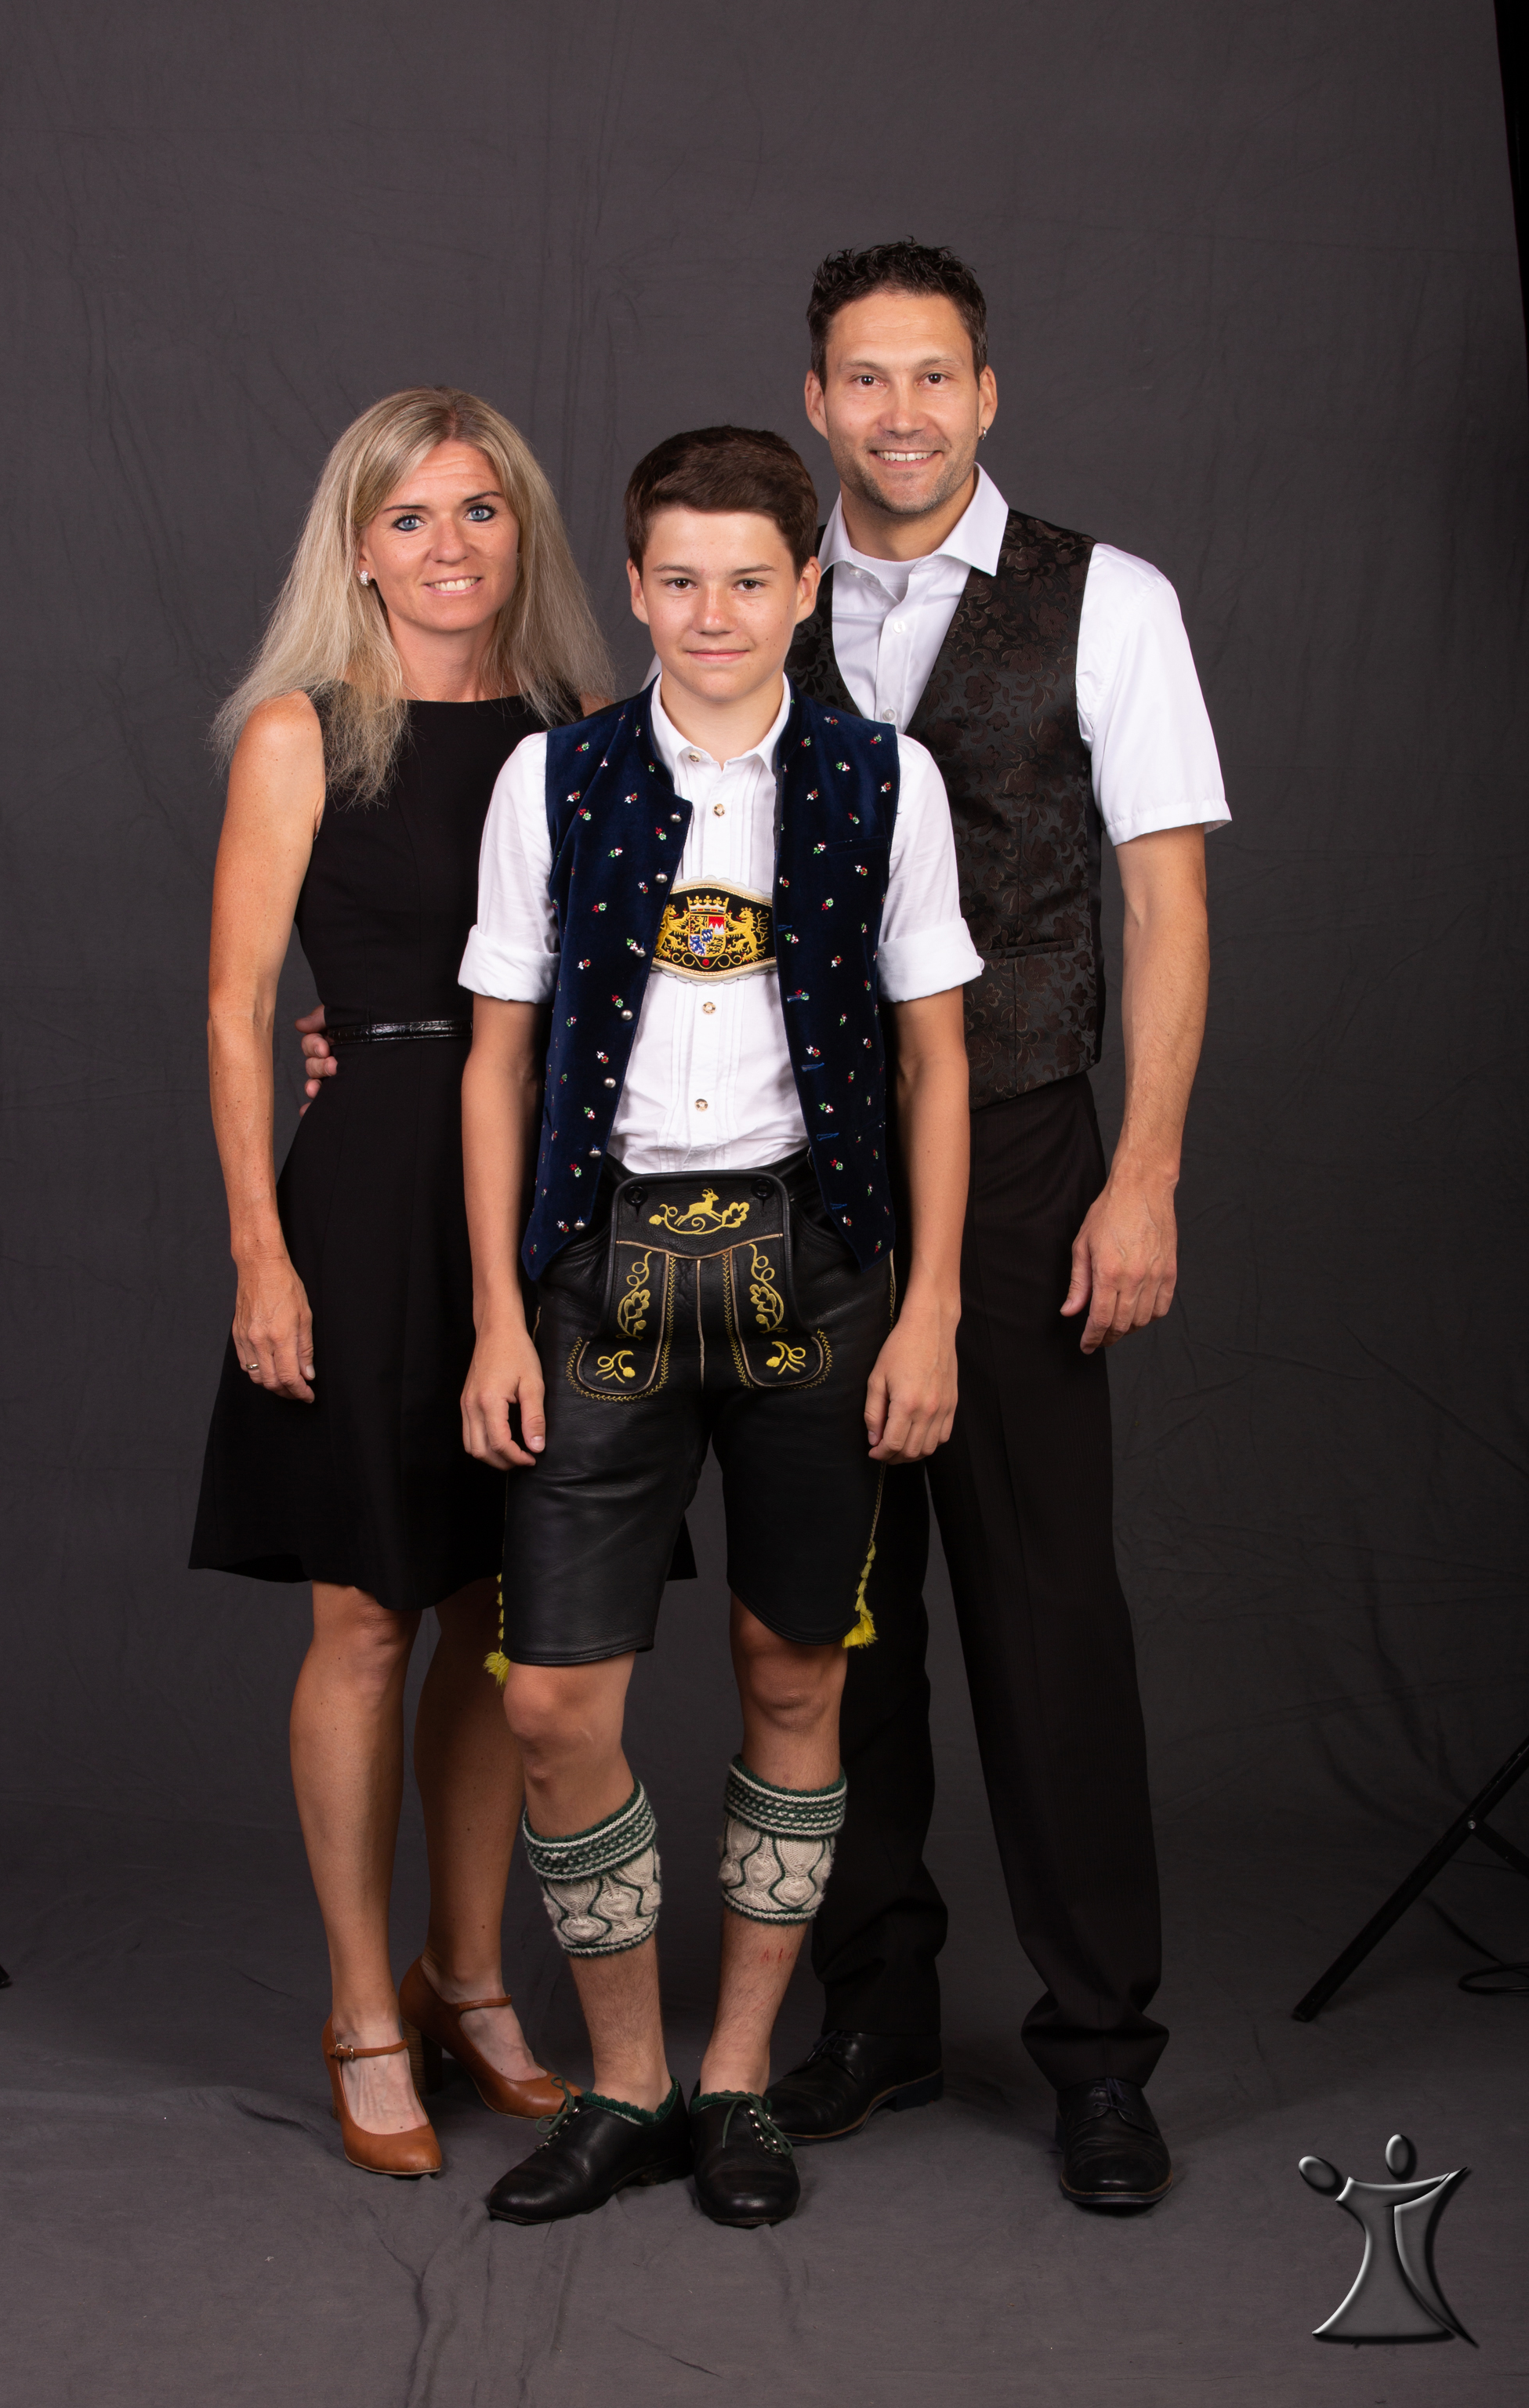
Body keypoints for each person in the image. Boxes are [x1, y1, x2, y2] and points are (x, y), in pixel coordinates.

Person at [455, 424, 980, 2228]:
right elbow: (497, 1062)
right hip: (595, 1273)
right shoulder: (554, 778)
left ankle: (739, 2077)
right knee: (552, 1698)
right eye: (678, 578)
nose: (712, 612)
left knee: (794, 1672)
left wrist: (930, 1307)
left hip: (816, 1276)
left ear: (804, 586)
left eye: (749, 578)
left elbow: (933, 1060)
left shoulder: (883, 779)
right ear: (631, 584)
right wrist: (496, 1313)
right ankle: (626, 2082)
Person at [763, 242, 1226, 2211]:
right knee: (831, 1618)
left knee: (1044, 1614)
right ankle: (871, 2005)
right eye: (864, 379)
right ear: (816, 401)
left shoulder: (1108, 601)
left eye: (932, 376)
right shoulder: (757, 591)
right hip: (799, 1168)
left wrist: (1147, 1173)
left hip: (1031, 1149)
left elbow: (1168, 907)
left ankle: (1100, 2051)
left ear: (986, 392)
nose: (900, 413)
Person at [190, 386, 608, 2177]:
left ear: (524, 532)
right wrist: (258, 1250)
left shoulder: (579, 730)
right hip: (363, 1198)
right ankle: (364, 2006)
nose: (450, 546)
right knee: (365, 1611)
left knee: (503, 1612)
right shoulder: (304, 732)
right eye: (412, 516)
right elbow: (236, 1005)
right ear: (357, 546)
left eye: (480, 510)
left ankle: (470, 1976)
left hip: (541, 1198)